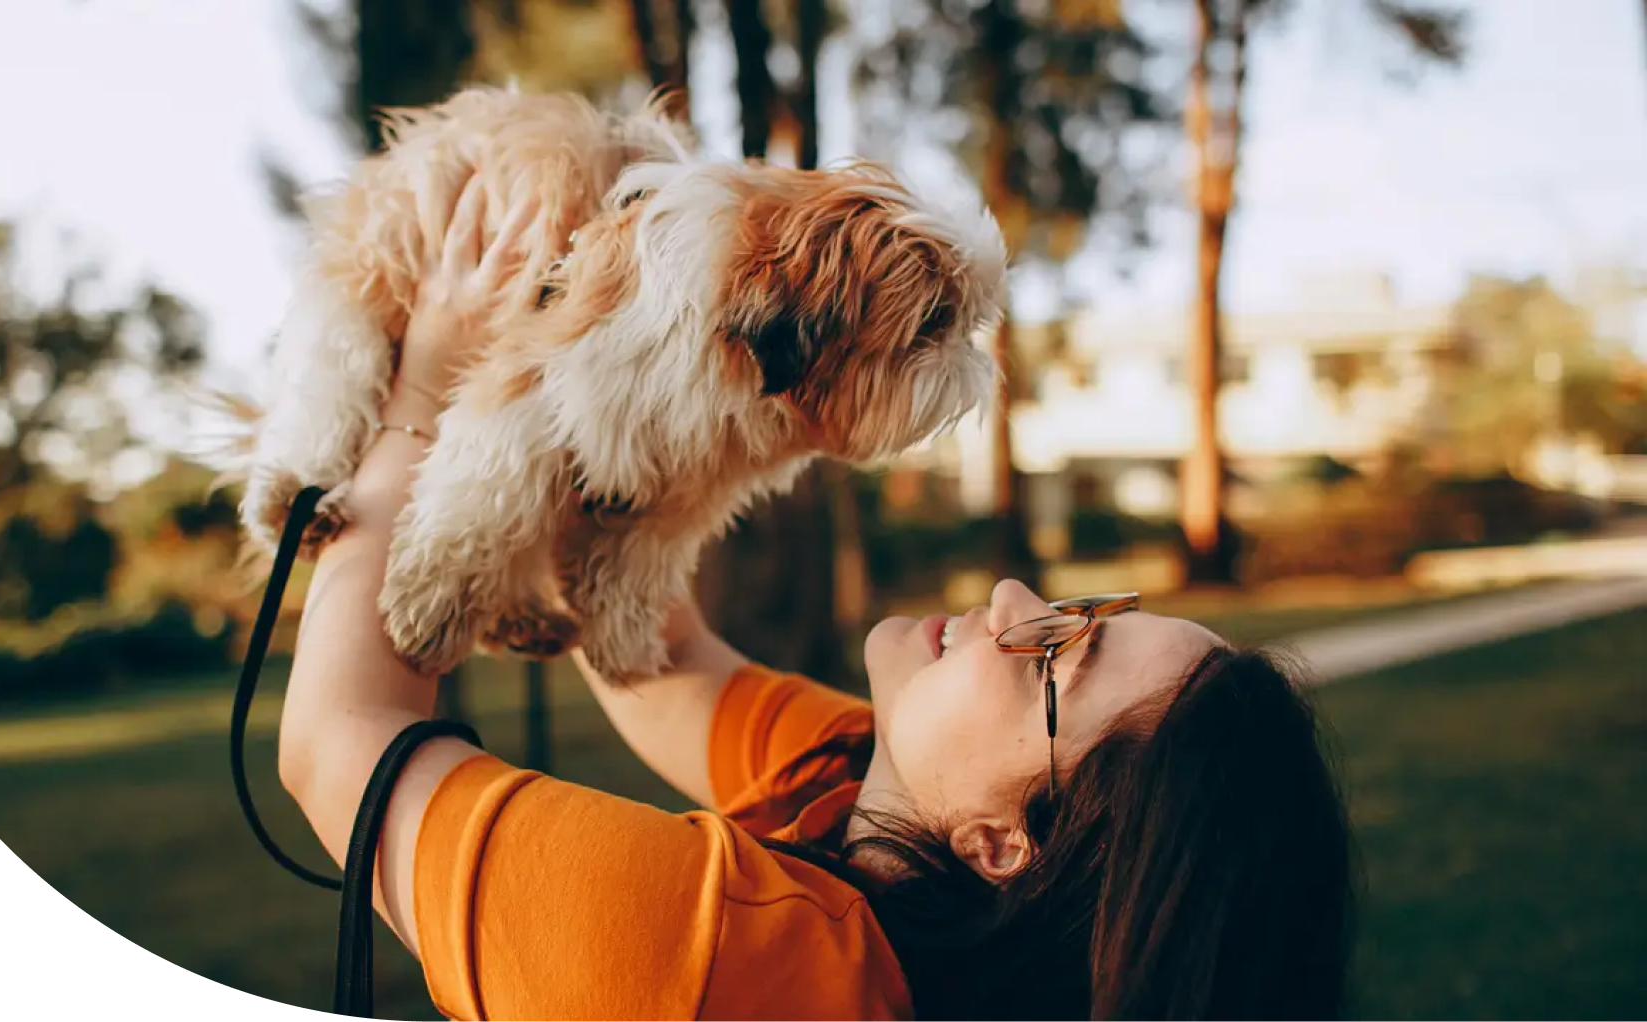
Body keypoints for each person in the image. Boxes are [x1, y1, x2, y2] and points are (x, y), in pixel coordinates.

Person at [277, 169, 1359, 1021]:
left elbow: (337, 741)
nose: (1014, 597)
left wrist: (422, 395)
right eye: (1083, 608)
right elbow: (657, 666)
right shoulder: (869, 778)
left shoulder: (704, 956)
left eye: (1052, 656)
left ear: (997, 843)